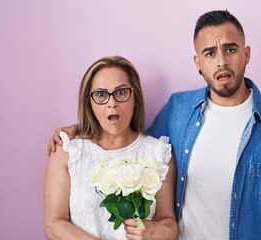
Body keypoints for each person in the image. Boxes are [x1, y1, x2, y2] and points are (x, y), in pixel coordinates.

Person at [47, 10, 261, 239]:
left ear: (246, 54)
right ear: (198, 63)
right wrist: (79, 129)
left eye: (230, 49)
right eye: (209, 53)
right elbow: (130, 144)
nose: (221, 61)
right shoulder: (178, 109)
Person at [44, 55, 178, 240]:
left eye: (121, 92)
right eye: (100, 94)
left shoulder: (159, 153)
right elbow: (54, 224)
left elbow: (167, 219)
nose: (111, 102)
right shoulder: (66, 151)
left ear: (135, 97)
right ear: (89, 102)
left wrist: (165, 231)